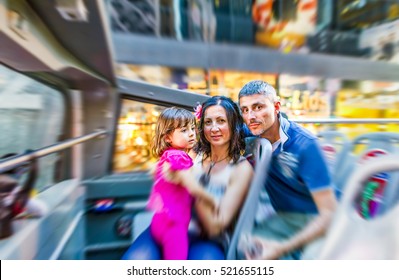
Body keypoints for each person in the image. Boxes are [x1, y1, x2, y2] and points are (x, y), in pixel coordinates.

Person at [122, 96, 253, 260]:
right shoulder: (192, 153)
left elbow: (214, 227)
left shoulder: (241, 168)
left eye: (221, 121)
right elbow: (162, 168)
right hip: (171, 225)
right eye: (208, 122)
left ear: (233, 125)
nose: (213, 128)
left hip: (206, 238)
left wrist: (190, 186)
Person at [238, 80, 337, 260]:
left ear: (276, 107)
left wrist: (281, 248)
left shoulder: (305, 145)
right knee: (244, 247)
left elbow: (329, 214)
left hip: (320, 222)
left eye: (258, 107)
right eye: (245, 110)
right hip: (286, 217)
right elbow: (219, 128)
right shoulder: (251, 131)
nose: (250, 116)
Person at [146, 107, 216, 260]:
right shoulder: (178, 157)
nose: (191, 133)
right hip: (173, 227)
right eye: (184, 130)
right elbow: (193, 188)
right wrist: (214, 201)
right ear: (167, 138)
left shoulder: (168, 155)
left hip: (161, 221)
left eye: (192, 128)